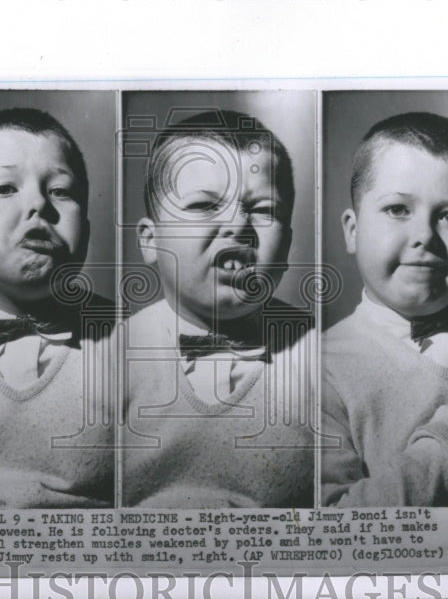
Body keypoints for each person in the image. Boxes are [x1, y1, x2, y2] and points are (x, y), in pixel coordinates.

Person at [123, 109, 315, 508]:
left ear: (288, 245)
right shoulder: (111, 359)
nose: (237, 225)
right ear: (150, 240)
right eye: (204, 206)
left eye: (262, 210)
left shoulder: (322, 355)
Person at [0, 108, 114, 508]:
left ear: (88, 230)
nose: (39, 205)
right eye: (5, 188)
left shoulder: (136, 345)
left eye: (61, 191)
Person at [322, 111, 448, 507]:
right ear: (352, 231)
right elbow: (331, 530)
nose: (425, 236)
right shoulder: (318, 372)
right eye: (397, 210)